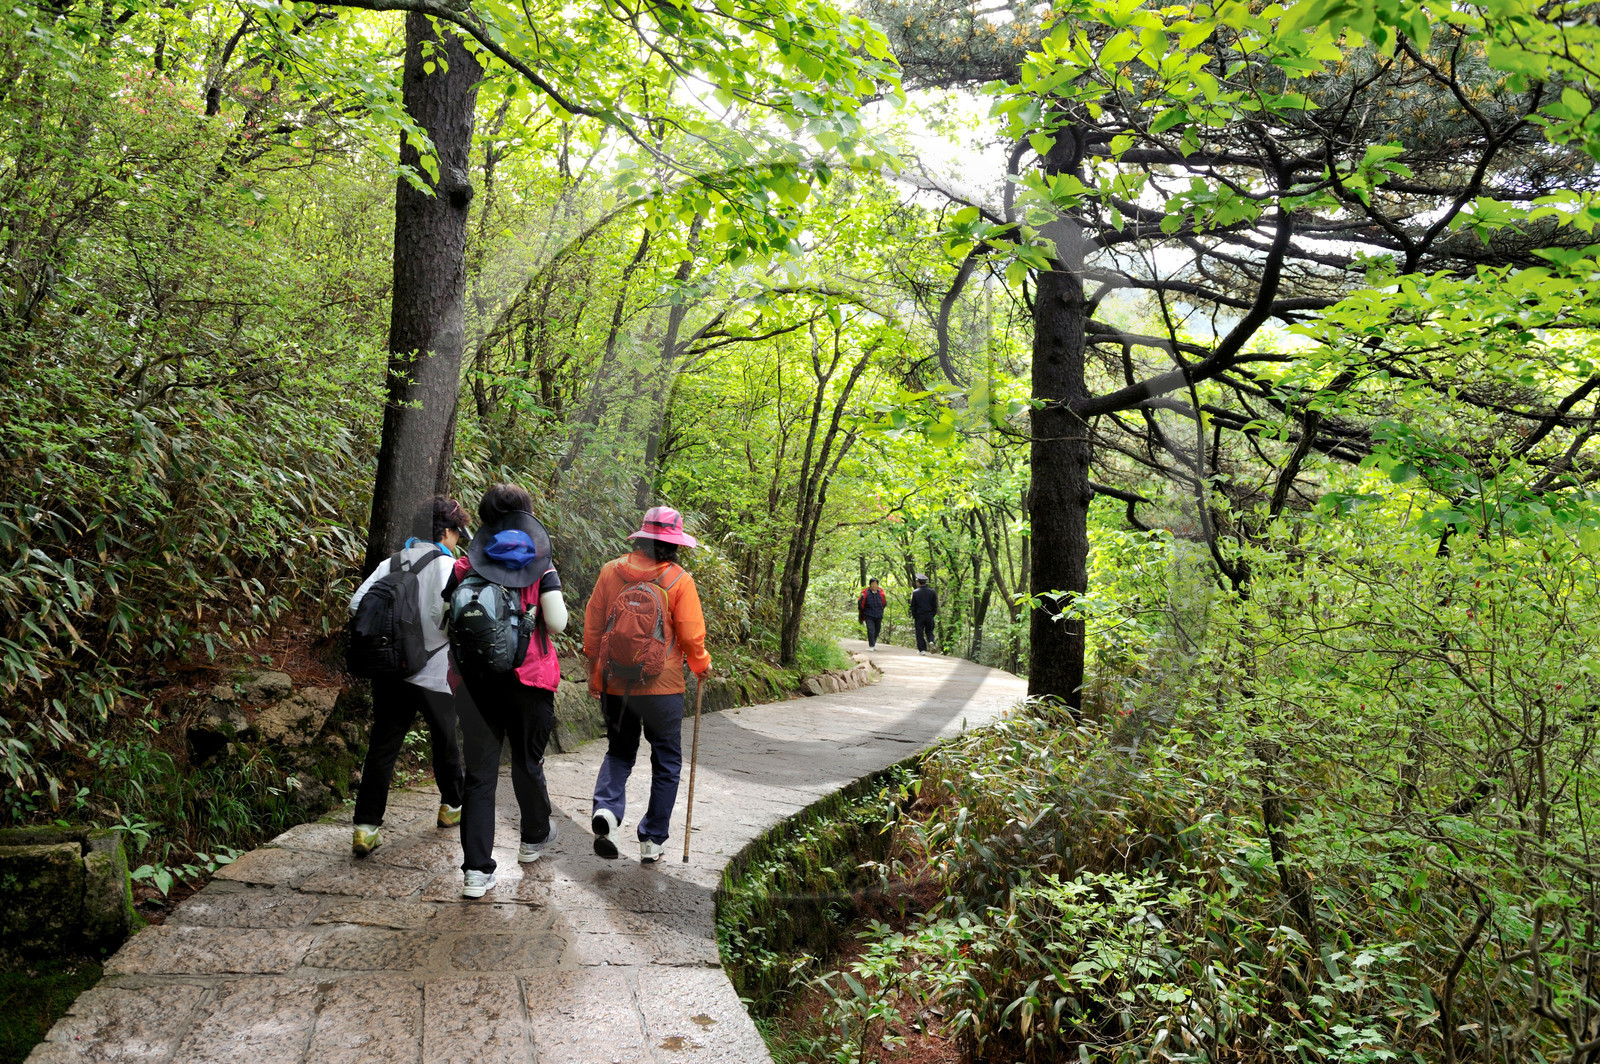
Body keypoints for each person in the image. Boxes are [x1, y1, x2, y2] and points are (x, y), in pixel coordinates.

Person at [446, 484, 569, 899]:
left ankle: (476, 873)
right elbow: (557, 623)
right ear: (527, 517)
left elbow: (440, 618)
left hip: (475, 683)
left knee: (479, 776)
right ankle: (533, 838)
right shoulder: (542, 566)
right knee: (527, 761)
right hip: (529, 680)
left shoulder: (465, 565)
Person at [584, 506, 712, 864]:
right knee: (667, 761)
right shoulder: (678, 580)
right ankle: (652, 840)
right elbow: (690, 636)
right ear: (674, 544)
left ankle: (607, 810)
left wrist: (597, 673)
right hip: (663, 687)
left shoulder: (611, 572)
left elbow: (593, 630)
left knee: (619, 751)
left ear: (639, 537)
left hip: (615, 684)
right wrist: (701, 664)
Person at [348, 495, 471, 858]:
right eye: (456, 534)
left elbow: (357, 605)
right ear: (447, 531)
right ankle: (451, 807)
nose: (457, 541)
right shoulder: (448, 567)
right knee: (445, 740)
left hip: (390, 670)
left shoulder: (392, 562)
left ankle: (365, 828)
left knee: (383, 747)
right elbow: (454, 619)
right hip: (433, 673)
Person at [911, 573, 938, 655]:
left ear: (918, 582)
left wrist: (914, 615)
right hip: (929, 615)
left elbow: (913, 606)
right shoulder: (932, 592)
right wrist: (932, 614)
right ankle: (931, 641)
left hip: (919, 616)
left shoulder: (915, 593)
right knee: (929, 631)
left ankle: (922, 649)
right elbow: (935, 605)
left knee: (919, 632)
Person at [857, 578, 887, 649]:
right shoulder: (866, 593)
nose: (874, 586)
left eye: (875, 584)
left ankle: (873, 643)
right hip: (869, 614)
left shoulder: (880, 593)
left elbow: (884, 603)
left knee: (877, 629)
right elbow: (860, 604)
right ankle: (871, 645)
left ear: (877, 585)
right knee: (871, 629)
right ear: (870, 585)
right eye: (872, 584)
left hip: (879, 615)